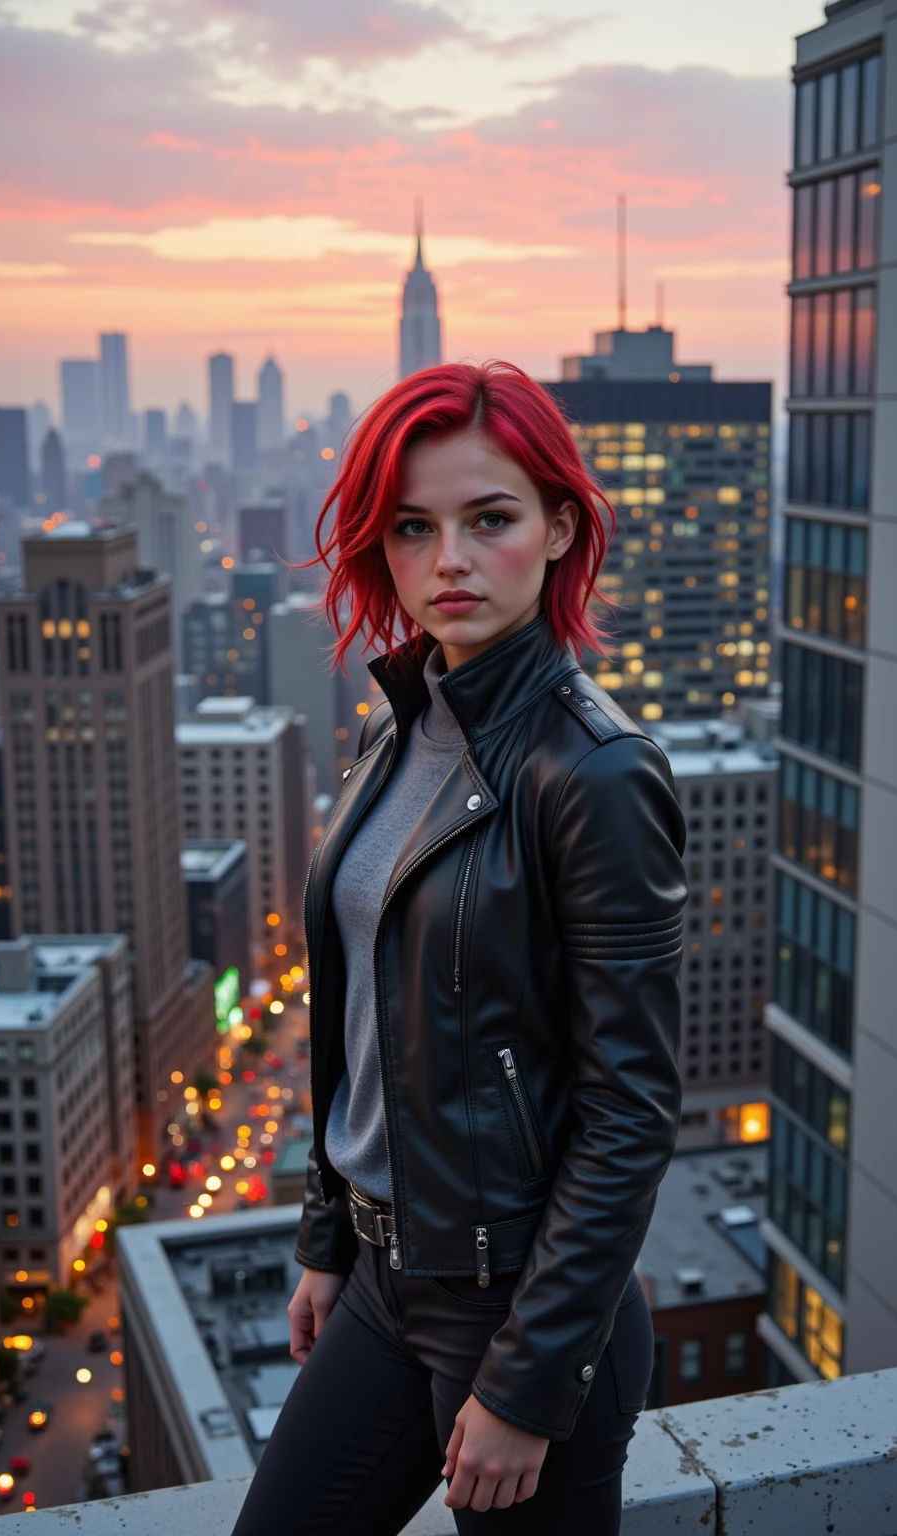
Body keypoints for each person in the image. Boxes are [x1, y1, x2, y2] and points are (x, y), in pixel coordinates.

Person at [231, 360, 687, 1535]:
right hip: (388, 1282)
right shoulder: (404, 724)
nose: (449, 561)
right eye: (412, 528)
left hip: (525, 1307)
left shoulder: (594, 772)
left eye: (489, 519)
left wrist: (529, 1381)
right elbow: (369, 1021)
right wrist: (332, 1237)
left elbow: (630, 1106)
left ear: (557, 527)